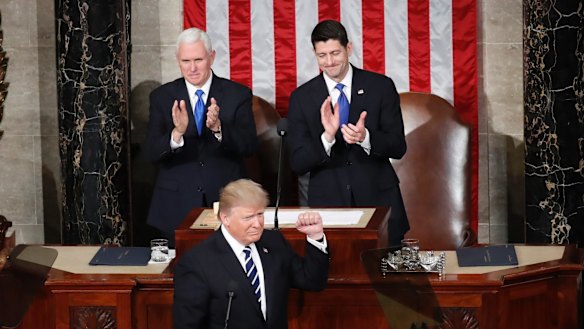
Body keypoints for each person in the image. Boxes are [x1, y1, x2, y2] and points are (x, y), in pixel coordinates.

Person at [287, 20, 409, 246]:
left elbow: (398, 146)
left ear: (349, 49)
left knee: (388, 277)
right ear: (314, 53)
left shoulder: (380, 87)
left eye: (335, 53)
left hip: (379, 202)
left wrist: (366, 138)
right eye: (322, 55)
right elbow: (298, 162)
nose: (329, 62)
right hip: (329, 208)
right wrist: (327, 138)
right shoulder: (302, 98)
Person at [144, 28, 257, 244]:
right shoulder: (162, 97)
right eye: (186, 61)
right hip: (174, 205)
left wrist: (219, 129)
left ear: (212, 57)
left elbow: (249, 145)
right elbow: (150, 152)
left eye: (198, 59)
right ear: (177, 60)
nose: (192, 68)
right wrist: (176, 133)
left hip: (227, 203)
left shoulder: (237, 94)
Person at [173, 179, 329, 329]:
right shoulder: (197, 263)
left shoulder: (274, 242)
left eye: (260, 214)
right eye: (248, 217)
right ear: (225, 218)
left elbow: (312, 281)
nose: (257, 224)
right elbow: (187, 324)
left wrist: (315, 236)